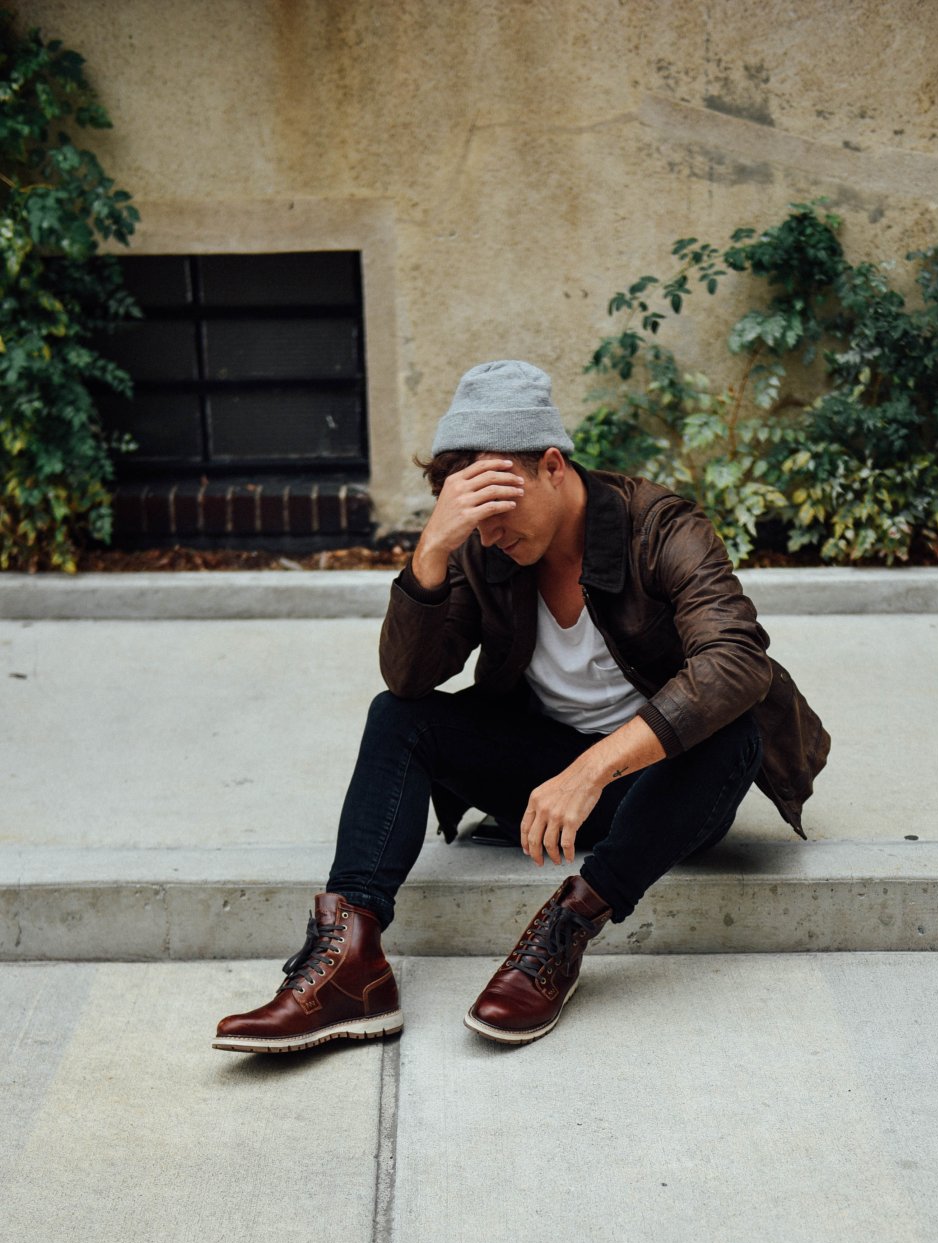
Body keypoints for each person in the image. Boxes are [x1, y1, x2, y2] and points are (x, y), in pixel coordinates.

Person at [213, 359, 831, 1053]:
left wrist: (592, 770)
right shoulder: (482, 550)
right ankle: (350, 963)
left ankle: (566, 929)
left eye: (499, 510)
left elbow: (736, 661)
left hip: (663, 787)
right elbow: (411, 679)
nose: (489, 535)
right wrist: (431, 552)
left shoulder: (660, 528)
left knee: (734, 732)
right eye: (471, 518)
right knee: (396, 717)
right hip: (542, 783)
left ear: (552, 467)